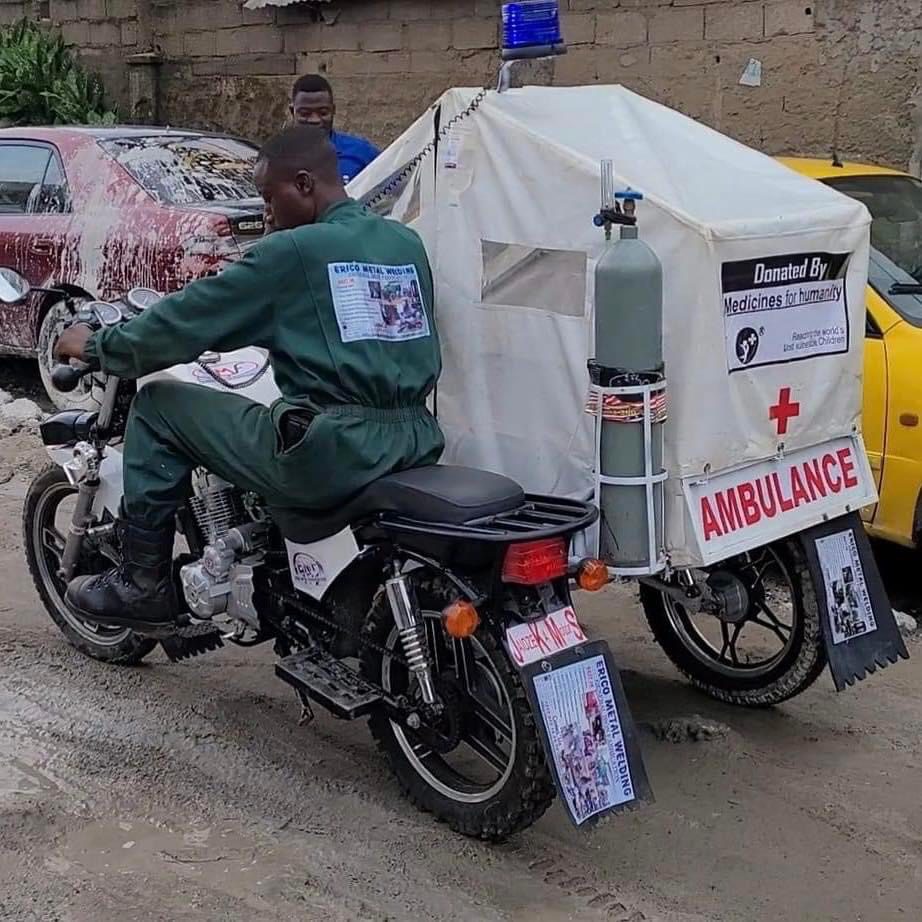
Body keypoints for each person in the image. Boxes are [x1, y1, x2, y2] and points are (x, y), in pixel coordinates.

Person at [54, 125, 444, 634]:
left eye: (267, 195)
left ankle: (142, 582)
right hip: (415, 437)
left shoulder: (293, 252)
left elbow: (189, 320)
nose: (265, 211)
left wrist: (99, 345)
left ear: (303, 184)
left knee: (158, 404)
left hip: (334, 452)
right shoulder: (404, 241)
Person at [289, 73, 379, 184]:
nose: (315, 120)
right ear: (292, 112)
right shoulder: (277, 158)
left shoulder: (362, 153)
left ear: (333, 110)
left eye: (323, 113)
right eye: (305, 113)